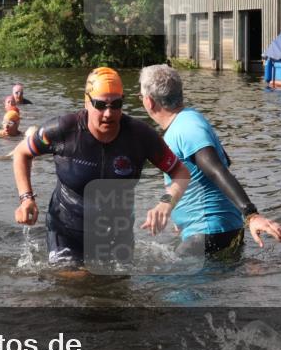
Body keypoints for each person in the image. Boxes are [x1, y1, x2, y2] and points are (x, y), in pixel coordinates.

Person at [11, 67, 192, 266]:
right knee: (72, 280)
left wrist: (166, 203)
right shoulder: (63, 130)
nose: (108, 113)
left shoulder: (140, 136)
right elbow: (21, 153)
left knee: (116, 284)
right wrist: (26, 198)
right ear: (87, 102)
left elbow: (180, 172)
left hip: (116, 235)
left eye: (116, 104)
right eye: (100, 105)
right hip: (67, 230)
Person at [139, 64, 281, 258]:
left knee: (166, 274)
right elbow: (223, 162)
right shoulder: (190, 120)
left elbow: (216, 170)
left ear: (149, 101)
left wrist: (251, 214)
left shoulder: (186, 128)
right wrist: (181, 214)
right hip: (218, 229)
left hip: (208, 231)